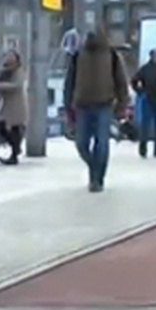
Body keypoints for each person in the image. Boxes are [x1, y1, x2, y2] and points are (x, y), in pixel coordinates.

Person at [63, 29, 129, 192]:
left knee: (101, 143)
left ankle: (97, 179)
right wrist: (68, 105)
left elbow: (121, 81)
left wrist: (122, 103)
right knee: (83, 144)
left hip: (103, 104)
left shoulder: (111, 56)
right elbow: (70, 82)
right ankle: (95, 170)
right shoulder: (78, 56)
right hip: (83, 105)